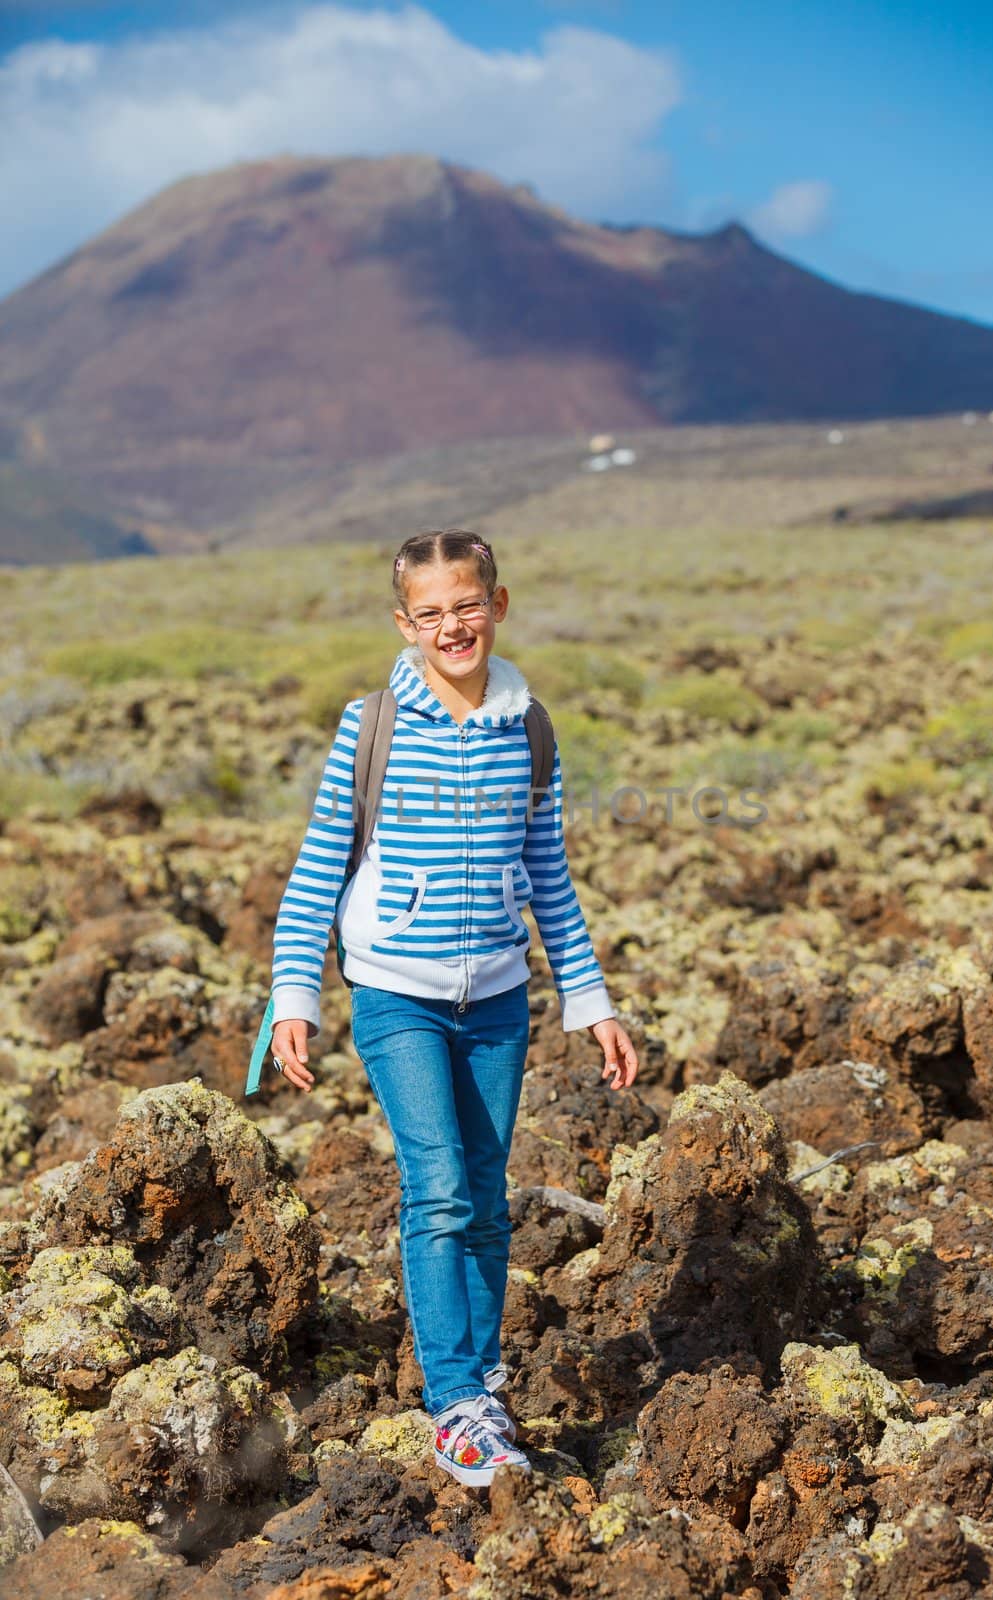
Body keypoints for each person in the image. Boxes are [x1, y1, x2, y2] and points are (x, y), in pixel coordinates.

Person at [268, 528, 639, 1488]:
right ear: (404, 623)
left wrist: (589, 1000)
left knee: (484, 1195)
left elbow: (548, 877)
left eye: (465, 605)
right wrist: (294, 994)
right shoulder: (373, 723)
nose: (451, 626)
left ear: (497, 605)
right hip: (396, 991)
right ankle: (454, 1405)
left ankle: (479, 1378)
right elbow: (319, 864)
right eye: (429, 613)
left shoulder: (531, 727)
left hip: (500, 1000)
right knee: (435, 1189)